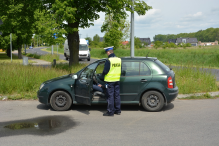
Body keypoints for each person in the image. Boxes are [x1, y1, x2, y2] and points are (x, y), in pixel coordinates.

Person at [99, 46, 122, 116]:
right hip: (117, 80)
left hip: (110, 81)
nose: (107, 54)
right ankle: (118, 110)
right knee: (117, 95)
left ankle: (110, 112)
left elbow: (105, 71)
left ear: (109, 52)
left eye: (107, 52)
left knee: (110, 96)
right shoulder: (119, 60)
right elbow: (120, 70)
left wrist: (101, 75)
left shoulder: (109, 60)